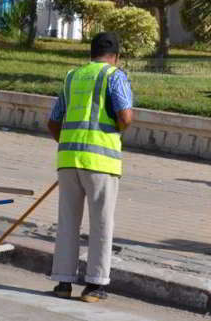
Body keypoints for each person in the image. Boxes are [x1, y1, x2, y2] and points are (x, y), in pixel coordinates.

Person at [47, 32, 134, 302]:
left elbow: (53, 120)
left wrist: (71, 144)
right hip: (100, 162)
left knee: (68, 223)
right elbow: (125, 116)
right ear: (116, 57)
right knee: (101, 223)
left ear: (91, 53)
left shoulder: (72, 76)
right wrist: (116, 131)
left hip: (69, 160)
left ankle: (63, 282)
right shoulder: (114, 75)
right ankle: (94, 286)